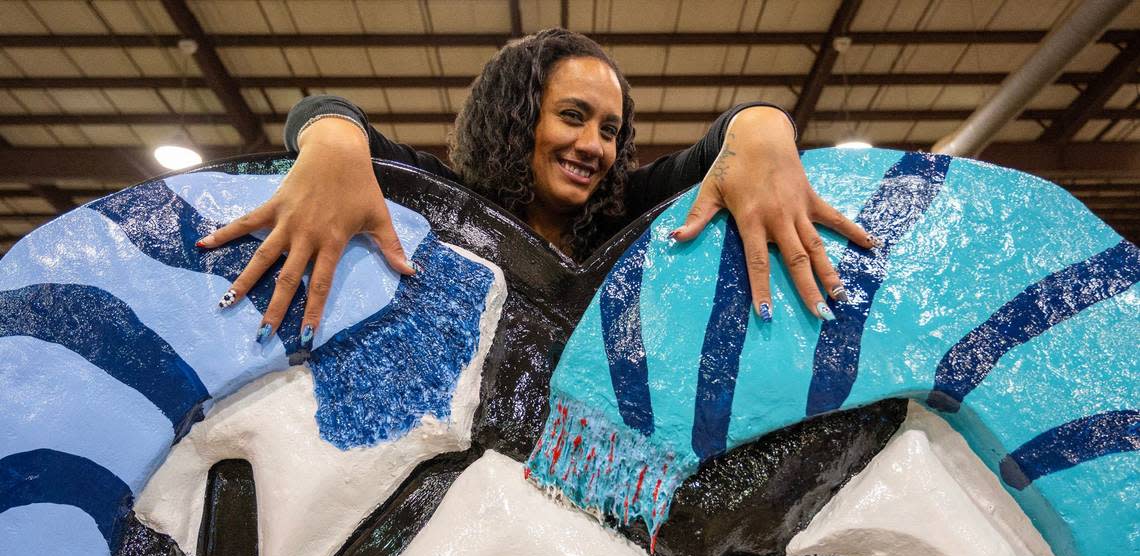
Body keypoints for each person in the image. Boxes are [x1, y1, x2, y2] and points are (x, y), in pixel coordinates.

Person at [197, 28, 875, 348]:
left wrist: (765, 129)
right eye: (573, 117)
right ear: (519, 119)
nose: (593, 147)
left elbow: (726, 139)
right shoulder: (442, 202)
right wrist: (331, 141)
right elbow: (325, 115)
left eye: (610, 130)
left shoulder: (631, 217)